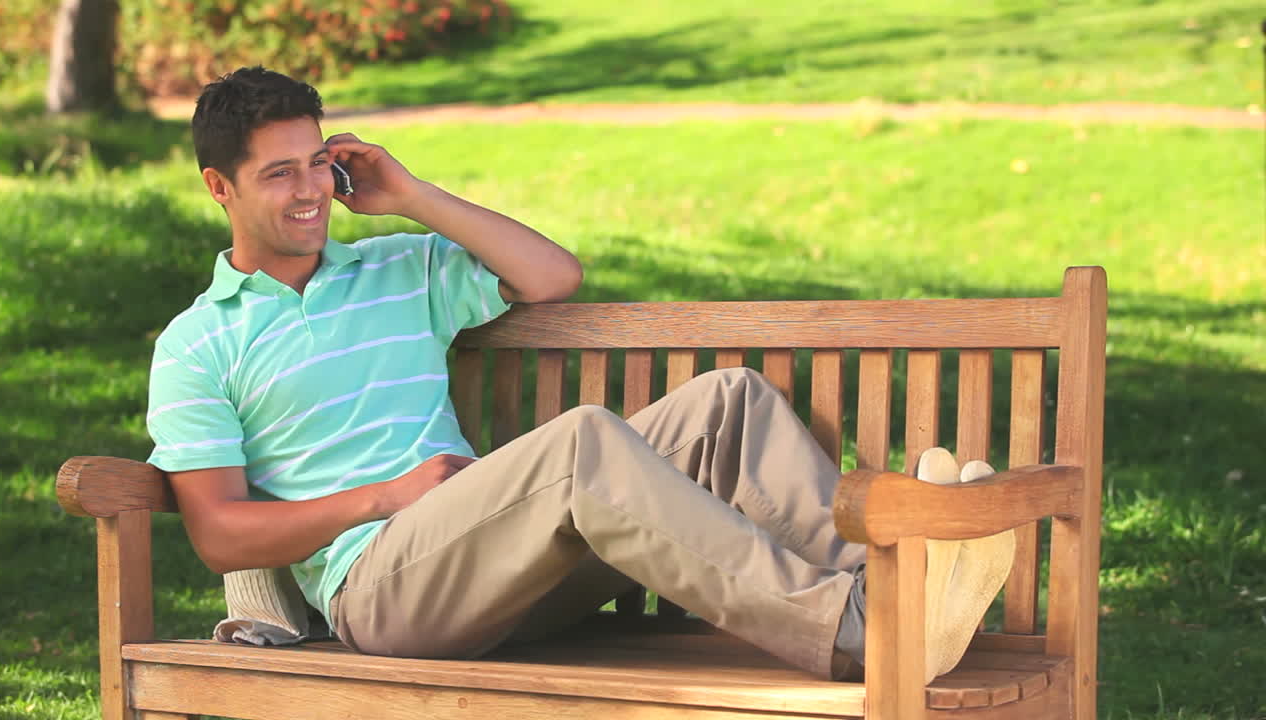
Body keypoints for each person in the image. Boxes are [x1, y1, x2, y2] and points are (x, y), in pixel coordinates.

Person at [147, 66, 1012, 683]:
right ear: (220, 187)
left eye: (316, 163)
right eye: (279, 173)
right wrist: (384, 498)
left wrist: (411, 196)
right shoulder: (200, 344)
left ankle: (893, 592)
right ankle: (865, 637)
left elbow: (552, 275)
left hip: (498, 560)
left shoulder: (399, 269)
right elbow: (220, 533)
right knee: (581, 447)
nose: (309, 189)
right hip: (381, 592)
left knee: (727, 403)